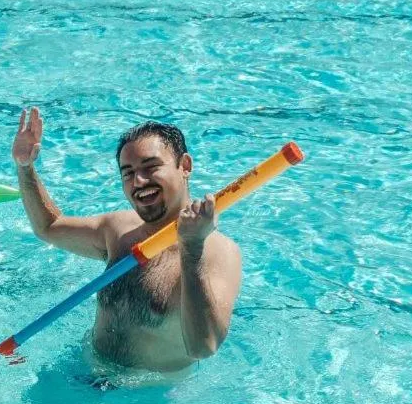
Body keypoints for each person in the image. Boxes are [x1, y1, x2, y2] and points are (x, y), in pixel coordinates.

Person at [12, 109, 242, 373]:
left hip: (148, 400)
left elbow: (203, 347)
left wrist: (192, 247)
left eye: (151, 167)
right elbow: (49, 227)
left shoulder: (217, 251)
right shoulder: (120, 229)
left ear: (185, 166)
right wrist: (25, 167)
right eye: (128, 172)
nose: (139, 181)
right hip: (85, 373)